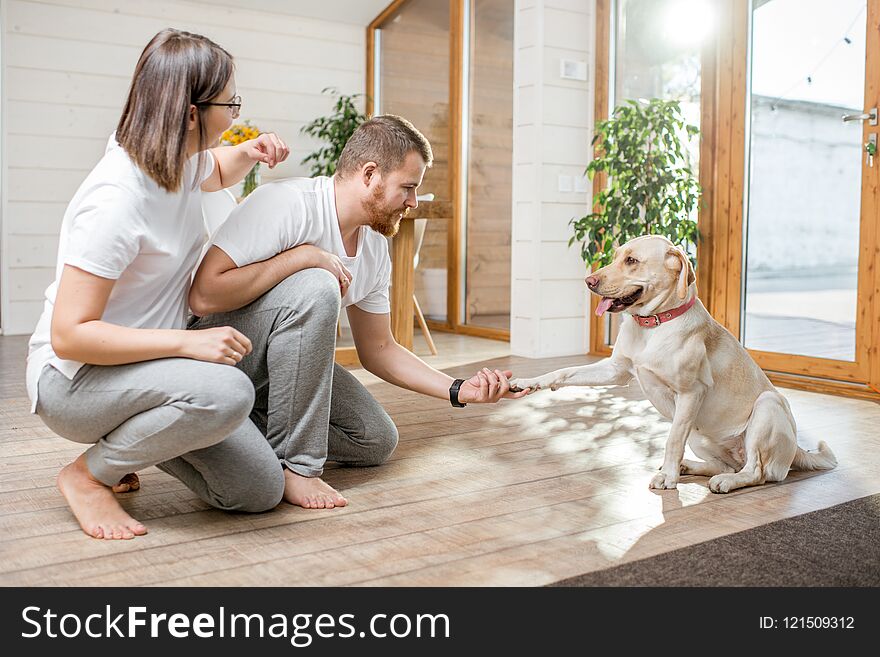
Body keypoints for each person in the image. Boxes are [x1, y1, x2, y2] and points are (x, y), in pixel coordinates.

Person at [26, 29, 291, 540]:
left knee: (256, 490)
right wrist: (188, 343)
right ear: (192, 113)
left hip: (145, 371)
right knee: (229, 390)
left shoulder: (177, 159)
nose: (235, 114)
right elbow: (70, 335)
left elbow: (215, 170)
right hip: (75, 381)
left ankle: (131, 440)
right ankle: (86, 476)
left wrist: (251, 151)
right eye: (229, 103)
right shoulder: (116, 201)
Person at [189, 114, 529, 511]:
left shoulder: (374, 248)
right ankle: (296, 466)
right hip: (223, 358)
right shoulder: (287, 204)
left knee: (374, 438)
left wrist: (458, 390)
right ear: (370, 174)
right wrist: (304, 258)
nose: (413, 202)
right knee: (318, 282)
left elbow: (380, 348)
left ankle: (245, 427)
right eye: (408, 187)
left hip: (283, 369)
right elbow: (203, 295)